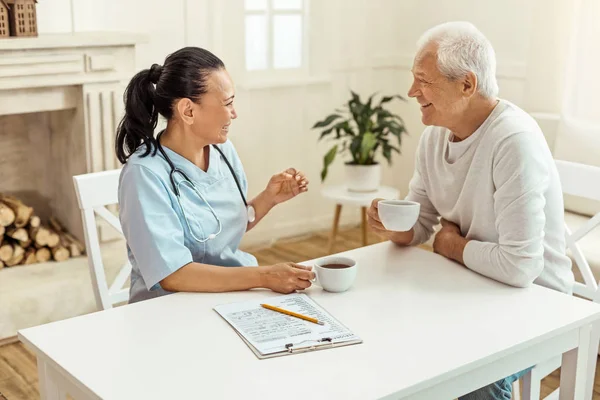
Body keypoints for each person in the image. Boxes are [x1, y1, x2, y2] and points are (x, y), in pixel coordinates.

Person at [367, 22, 573, 399]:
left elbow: (521, 267)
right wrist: (396, 226)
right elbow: (422, 223)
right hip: (472, 289)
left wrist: (451, 246)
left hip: (538, 305)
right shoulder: (434, 135)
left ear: (466, 84)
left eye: (423, 80)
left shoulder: (513, 140)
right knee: (388, 337)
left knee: (471, 378)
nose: (412, 92)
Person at [116, 47, 314, 304]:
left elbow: (219, 231)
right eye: (228, 103)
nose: (235, 114)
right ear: (188, 111)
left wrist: (268, 198)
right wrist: (264, 276)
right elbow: (173, 275)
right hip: (171, 309)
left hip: (231, 296)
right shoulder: (143, 174)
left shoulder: (222, 150)